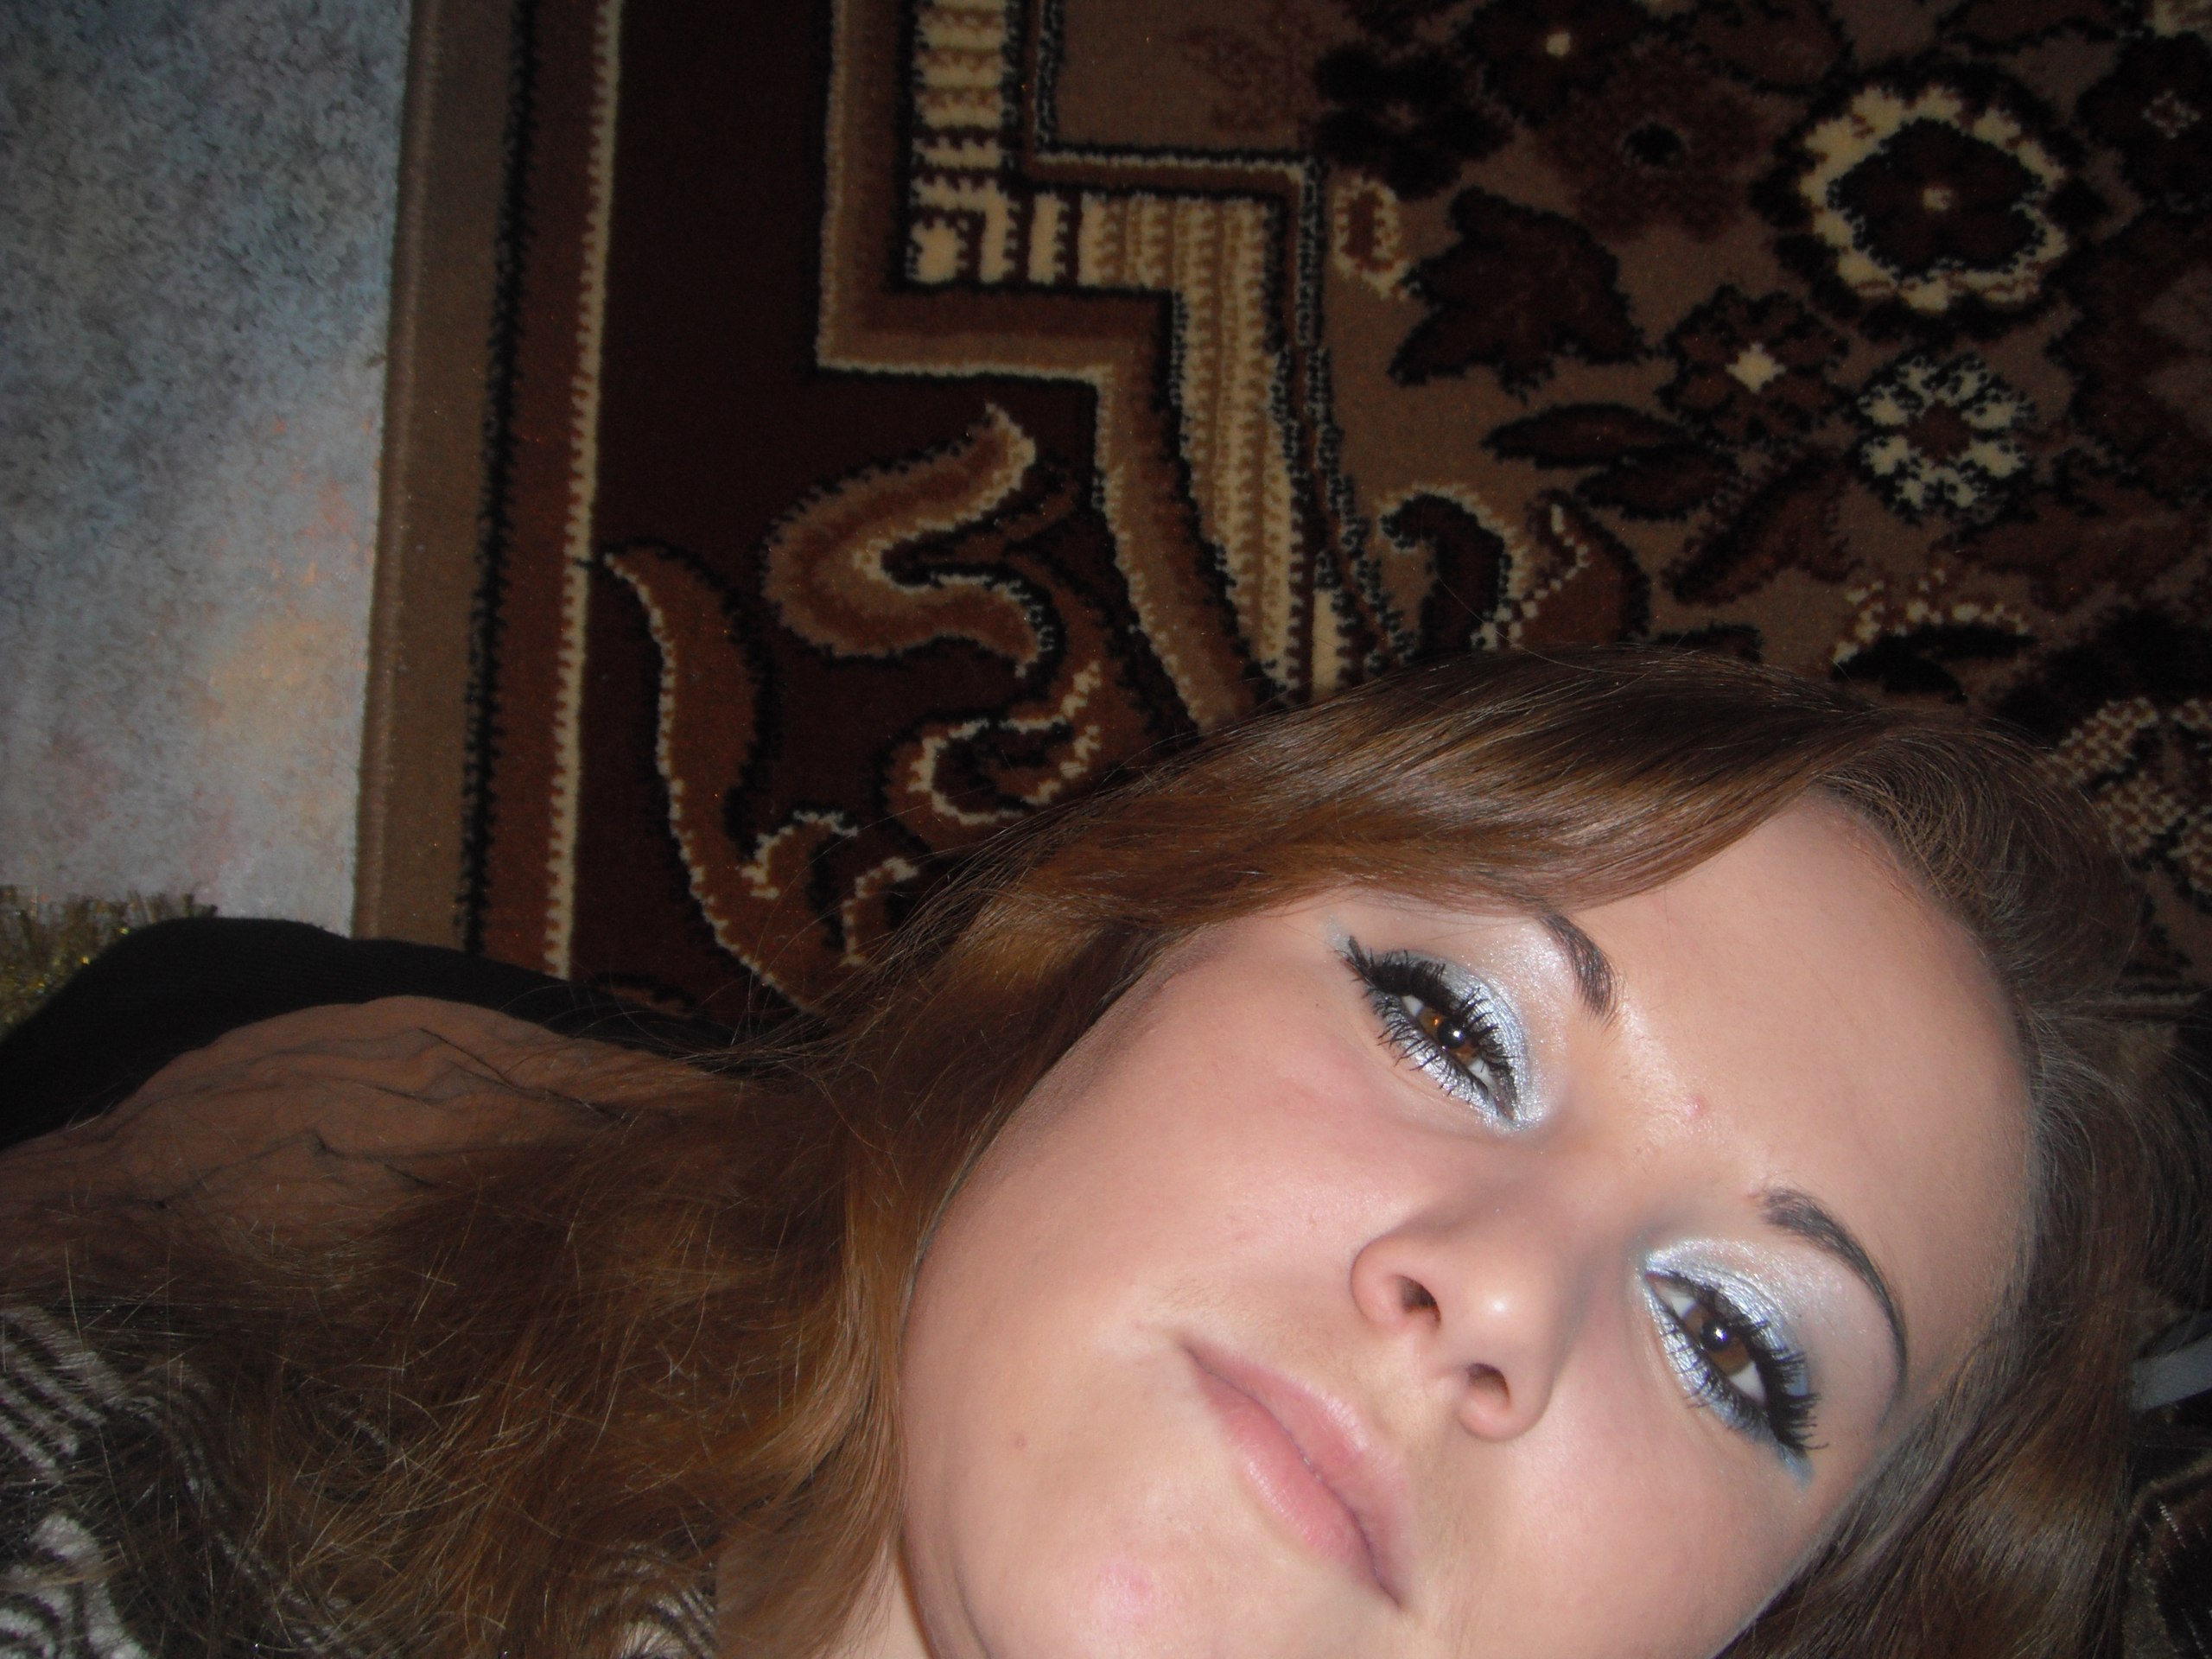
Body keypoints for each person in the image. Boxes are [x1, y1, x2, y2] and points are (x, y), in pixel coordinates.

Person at [0, 645, 2200, 1659]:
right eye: (1447, 1023)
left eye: (1736, 1348)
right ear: (1104, 980)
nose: (1496, 1291)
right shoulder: (111, 1493)